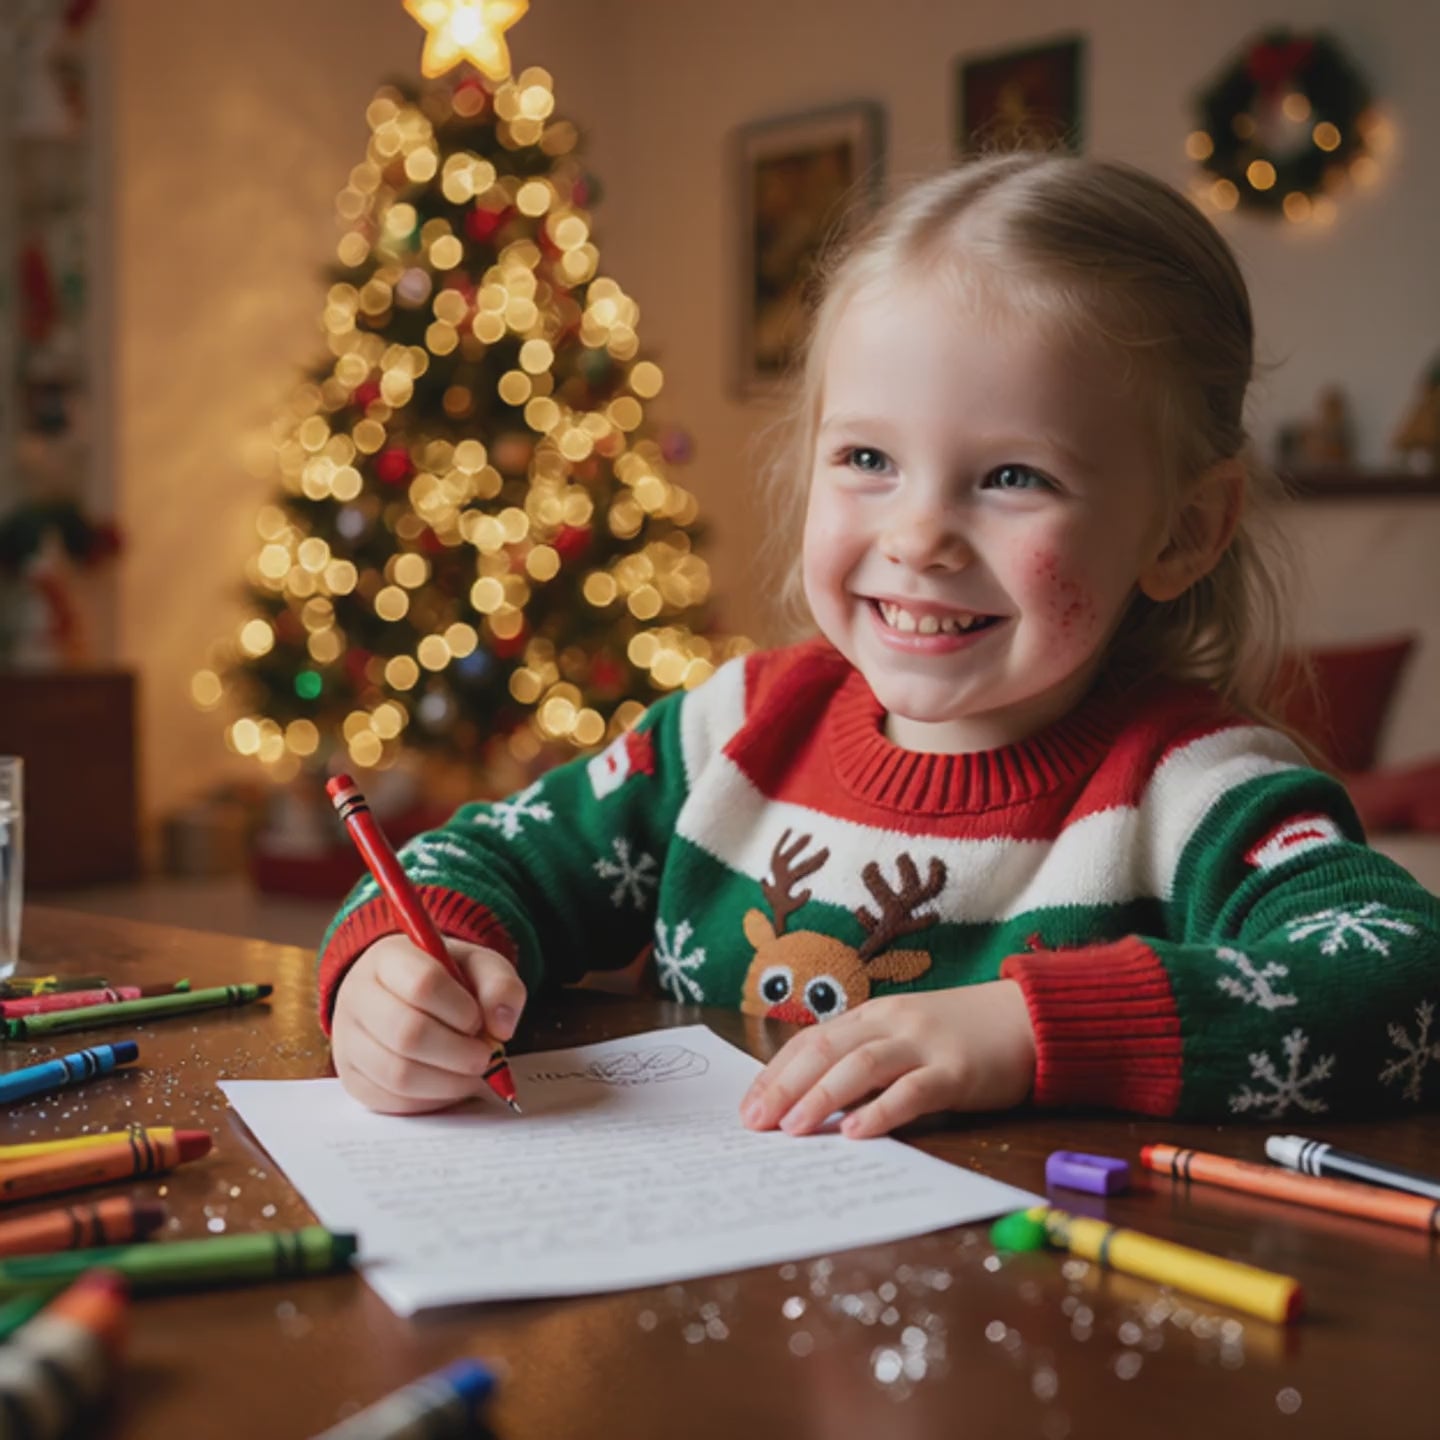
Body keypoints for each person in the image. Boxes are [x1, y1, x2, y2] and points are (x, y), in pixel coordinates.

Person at [318, 152, 1439, 1134]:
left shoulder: (1196, 793)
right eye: (866, 460)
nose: (918, 538)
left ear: (1185, 529)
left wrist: (1023, 1030)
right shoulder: (732, 733)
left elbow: (1403, 976)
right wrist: (397, 969)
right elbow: (477, 861)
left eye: (1013, 477)